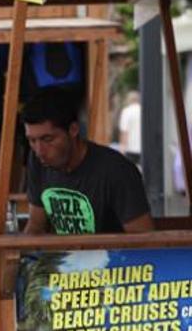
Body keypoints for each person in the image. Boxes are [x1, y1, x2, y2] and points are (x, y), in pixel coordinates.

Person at [22, 87, 154, 235]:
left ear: (73, 130)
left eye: (48, 139)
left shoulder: (117, 170)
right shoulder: (37, 160)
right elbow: (35, 225)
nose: (39, 150)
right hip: (62, 257)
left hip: (113, 257)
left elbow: (143, 239)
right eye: (32, 141)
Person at [118, 91, 141, 165]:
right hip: (143, 147)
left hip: (131, 148)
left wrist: (122, 148)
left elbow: (124, 131)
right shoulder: (144, 110)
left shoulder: (126, 111)